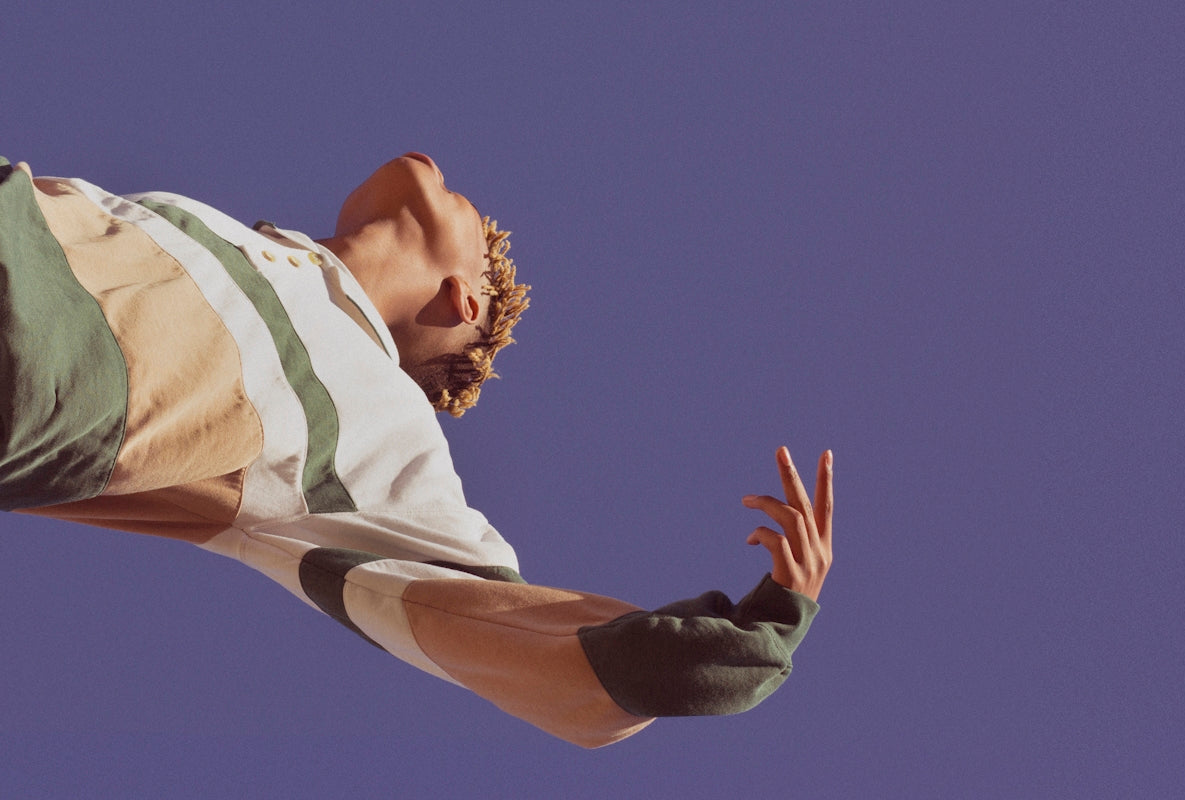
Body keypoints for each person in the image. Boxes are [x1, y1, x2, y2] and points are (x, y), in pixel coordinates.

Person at [0, 154, 833, 748]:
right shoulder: (206, 224)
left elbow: (526, 633)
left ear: (464, 299)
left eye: (462, 204)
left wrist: (768, 622)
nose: (440, 168)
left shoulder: (377, 423)